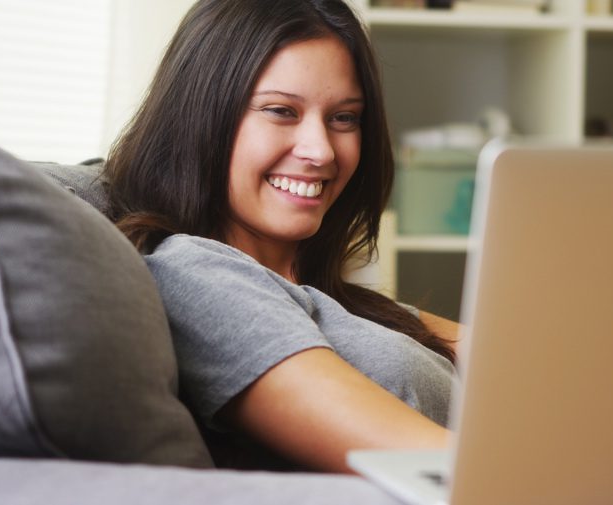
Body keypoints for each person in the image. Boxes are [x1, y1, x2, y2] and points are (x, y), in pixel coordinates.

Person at [103, 0, 460, 473]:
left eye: (344, 117)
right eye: (280, 111)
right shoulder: (193, 274)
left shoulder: (342, 305)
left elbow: (529, 363)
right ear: (202, 115)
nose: (321, 151)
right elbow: (434, 466)